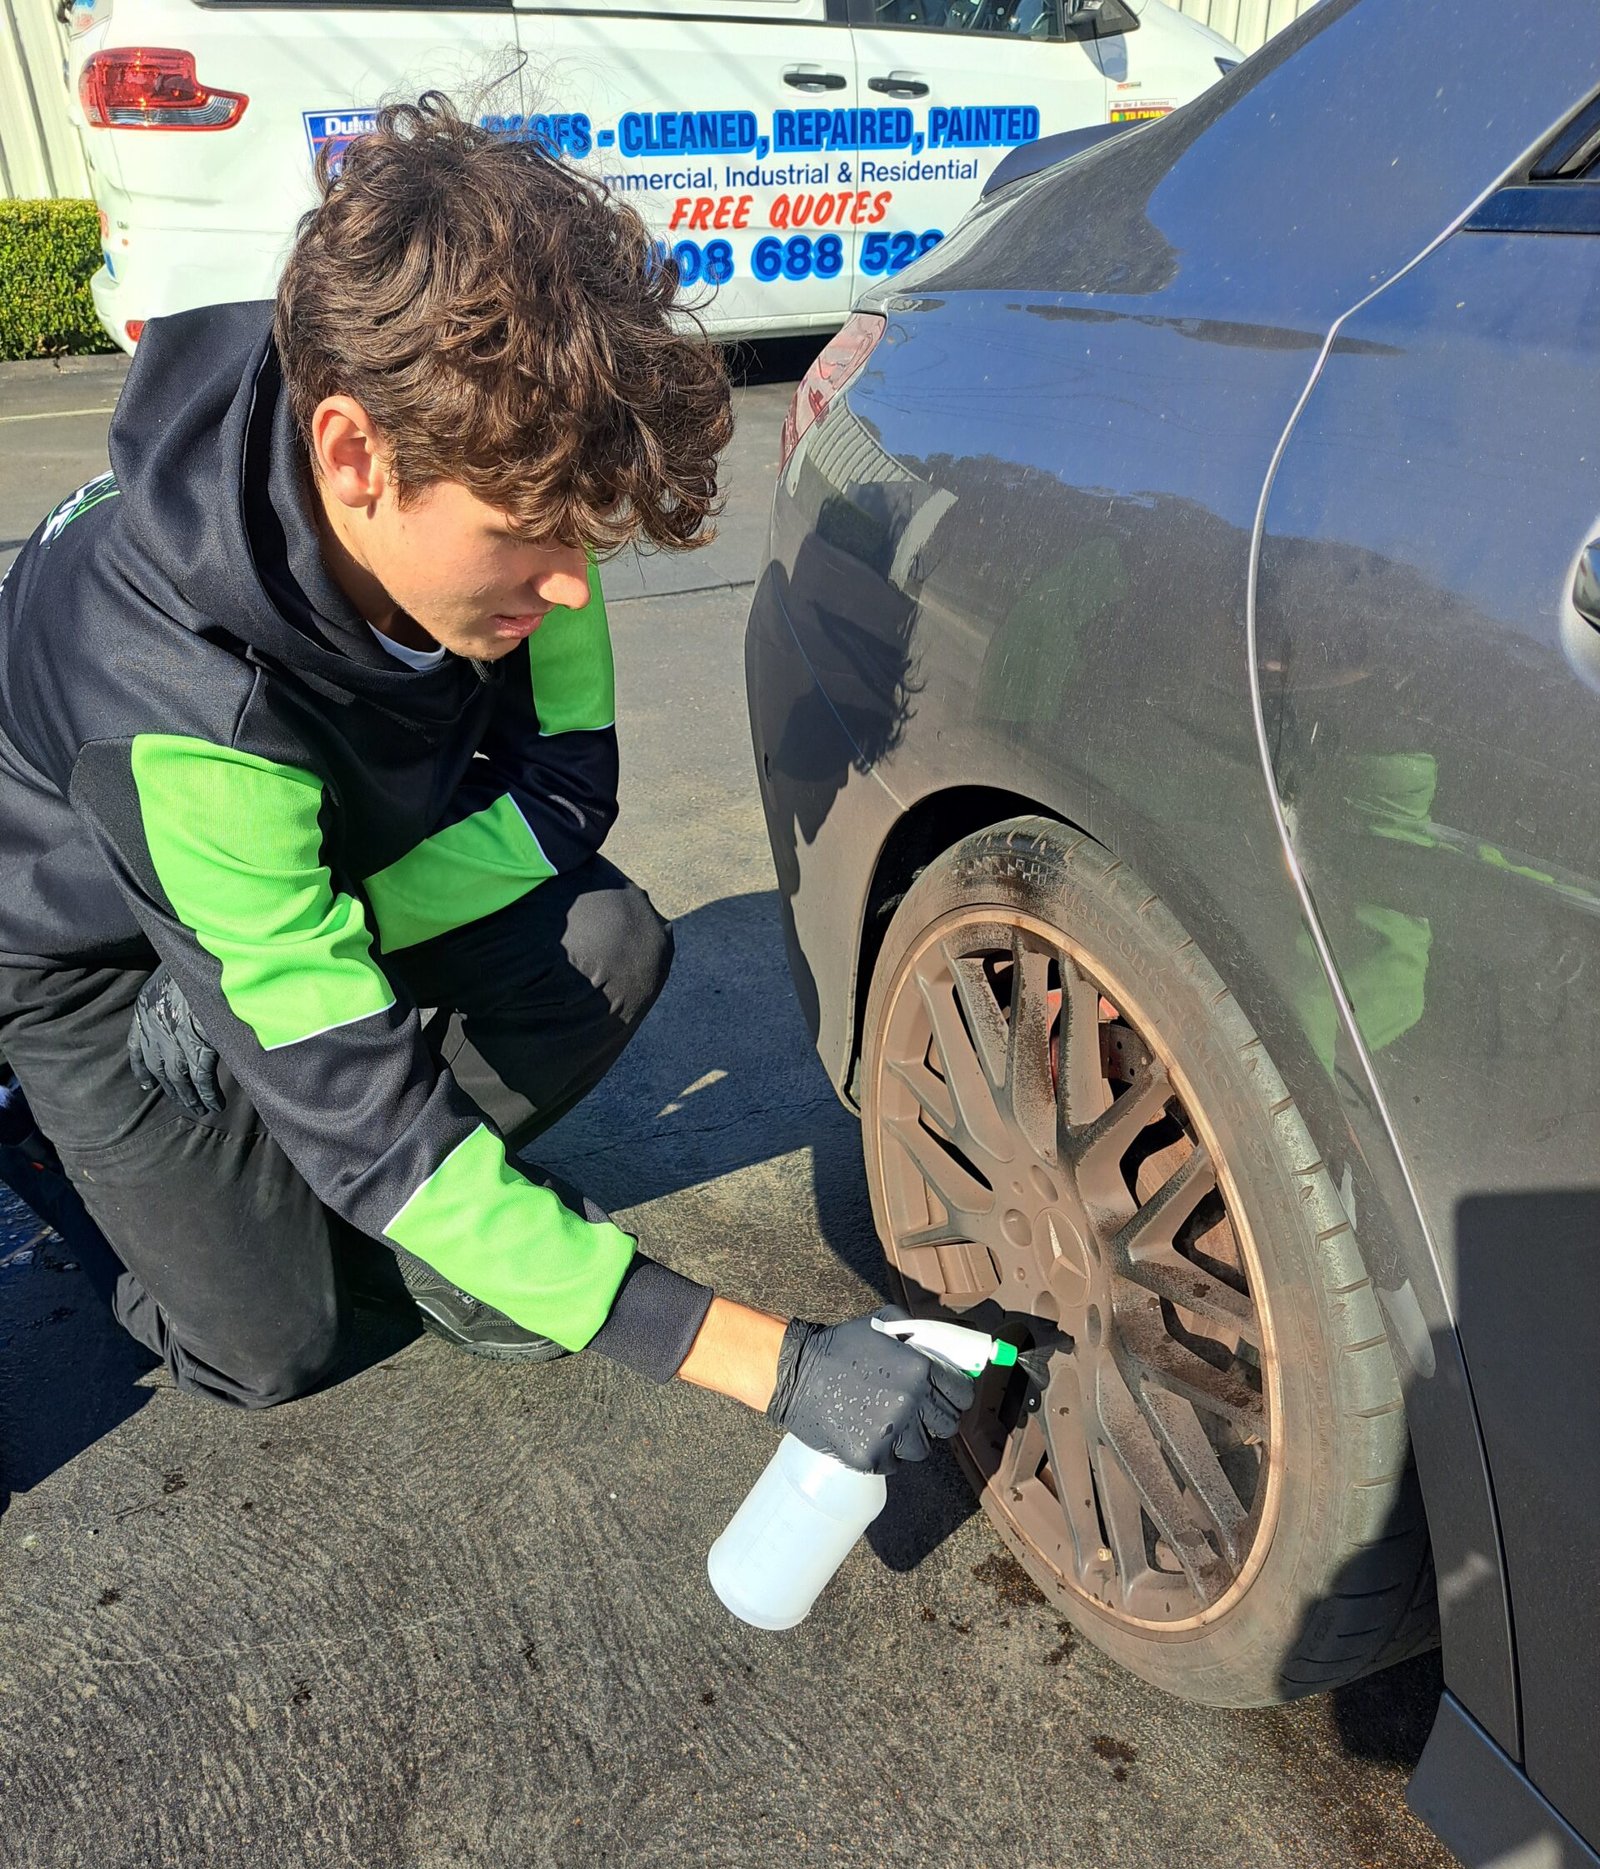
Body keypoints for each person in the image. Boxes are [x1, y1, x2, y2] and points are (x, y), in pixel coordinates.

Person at [0, 95, 971, 1477]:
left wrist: (315, 993)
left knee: (609, 940)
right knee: (274, 1342)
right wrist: (781, 1361)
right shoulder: (178, 700)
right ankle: (67, 1155)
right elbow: (377, 1128)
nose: (574, 590)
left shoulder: (502, 469)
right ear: (351, 457)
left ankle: (342, 1152)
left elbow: (565, 797)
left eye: (584, 540)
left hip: (306, 891)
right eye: (531, 542)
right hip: (91, 947)